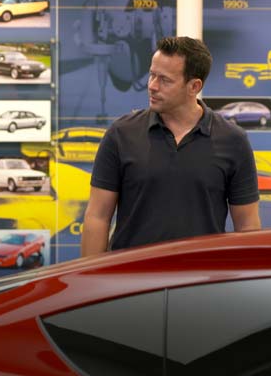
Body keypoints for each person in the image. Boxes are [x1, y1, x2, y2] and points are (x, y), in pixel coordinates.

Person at [81, 36, 261, 255]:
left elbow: (247, 226)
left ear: (194, 86)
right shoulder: (120, 134)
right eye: (152, 75)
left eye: (165, 80)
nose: (152, 86)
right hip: (132, 274)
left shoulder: (233, 141)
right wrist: (90, 274)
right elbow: (97, 217)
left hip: (201, 275)